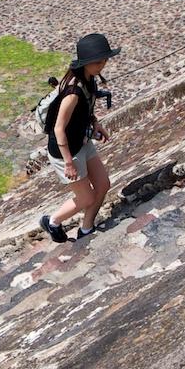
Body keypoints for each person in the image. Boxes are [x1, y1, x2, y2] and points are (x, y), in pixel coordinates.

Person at [39, 33, 117, 243]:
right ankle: (52, 221)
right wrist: (68, 163)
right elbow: (58, 129)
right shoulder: (73, 91)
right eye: (99, 61)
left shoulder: (89, 79)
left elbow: (86, 108)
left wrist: (95, 123)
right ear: (86, 63)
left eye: (104, 60)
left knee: (103, 185)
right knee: (86, 197)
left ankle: (86, 228)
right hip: (66, 150)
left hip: (82, 141)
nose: (103, 65)